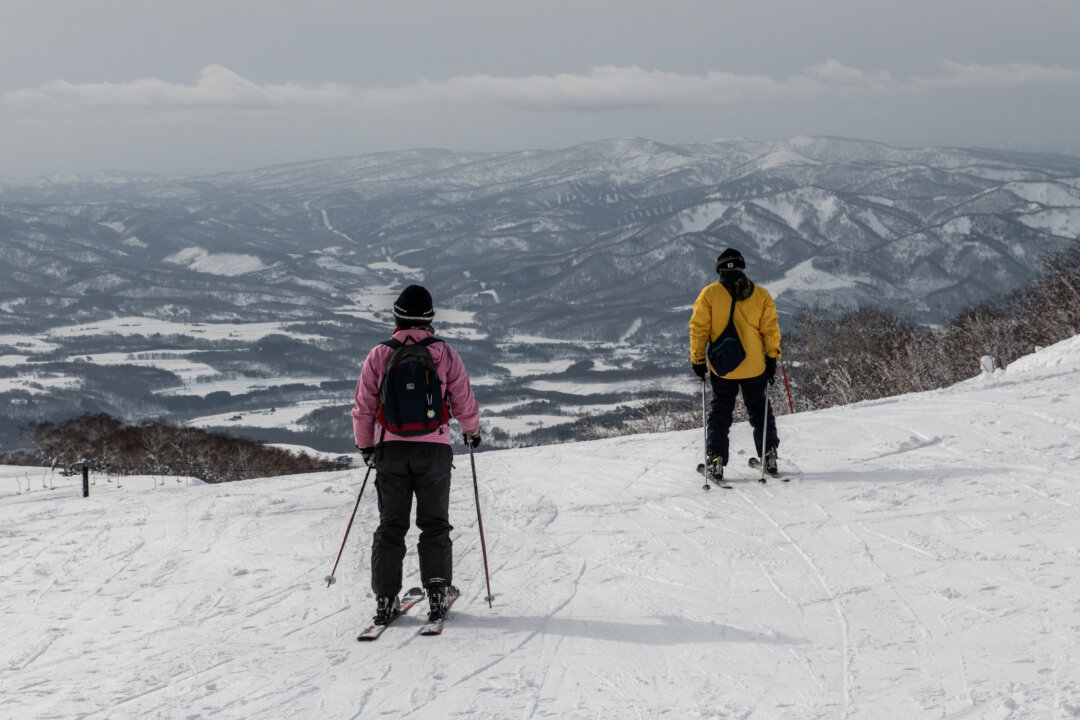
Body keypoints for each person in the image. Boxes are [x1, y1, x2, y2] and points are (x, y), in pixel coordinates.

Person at [352, 284, 482, 625]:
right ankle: (438, 592)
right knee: (434, 523)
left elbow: (364, 407)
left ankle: (385, 600)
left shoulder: (380, 354)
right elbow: (463, 399)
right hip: (434, 449)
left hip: (390, 450)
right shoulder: (443, 353)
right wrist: (471, 431)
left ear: (396, 315)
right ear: (429, 318)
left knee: (391, 525)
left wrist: (366, 446)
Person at [689, 248, 782, 482]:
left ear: (719, 269)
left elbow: (699, 330)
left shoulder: (709, 294)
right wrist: (772, 358)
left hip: (724, 368)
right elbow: (770, 330)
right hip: (755, 366)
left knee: (721, 413)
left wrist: (698, 360)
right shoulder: (761, 295)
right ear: (742, 267)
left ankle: (716, 461)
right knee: (760, 411)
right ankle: (769, 455)